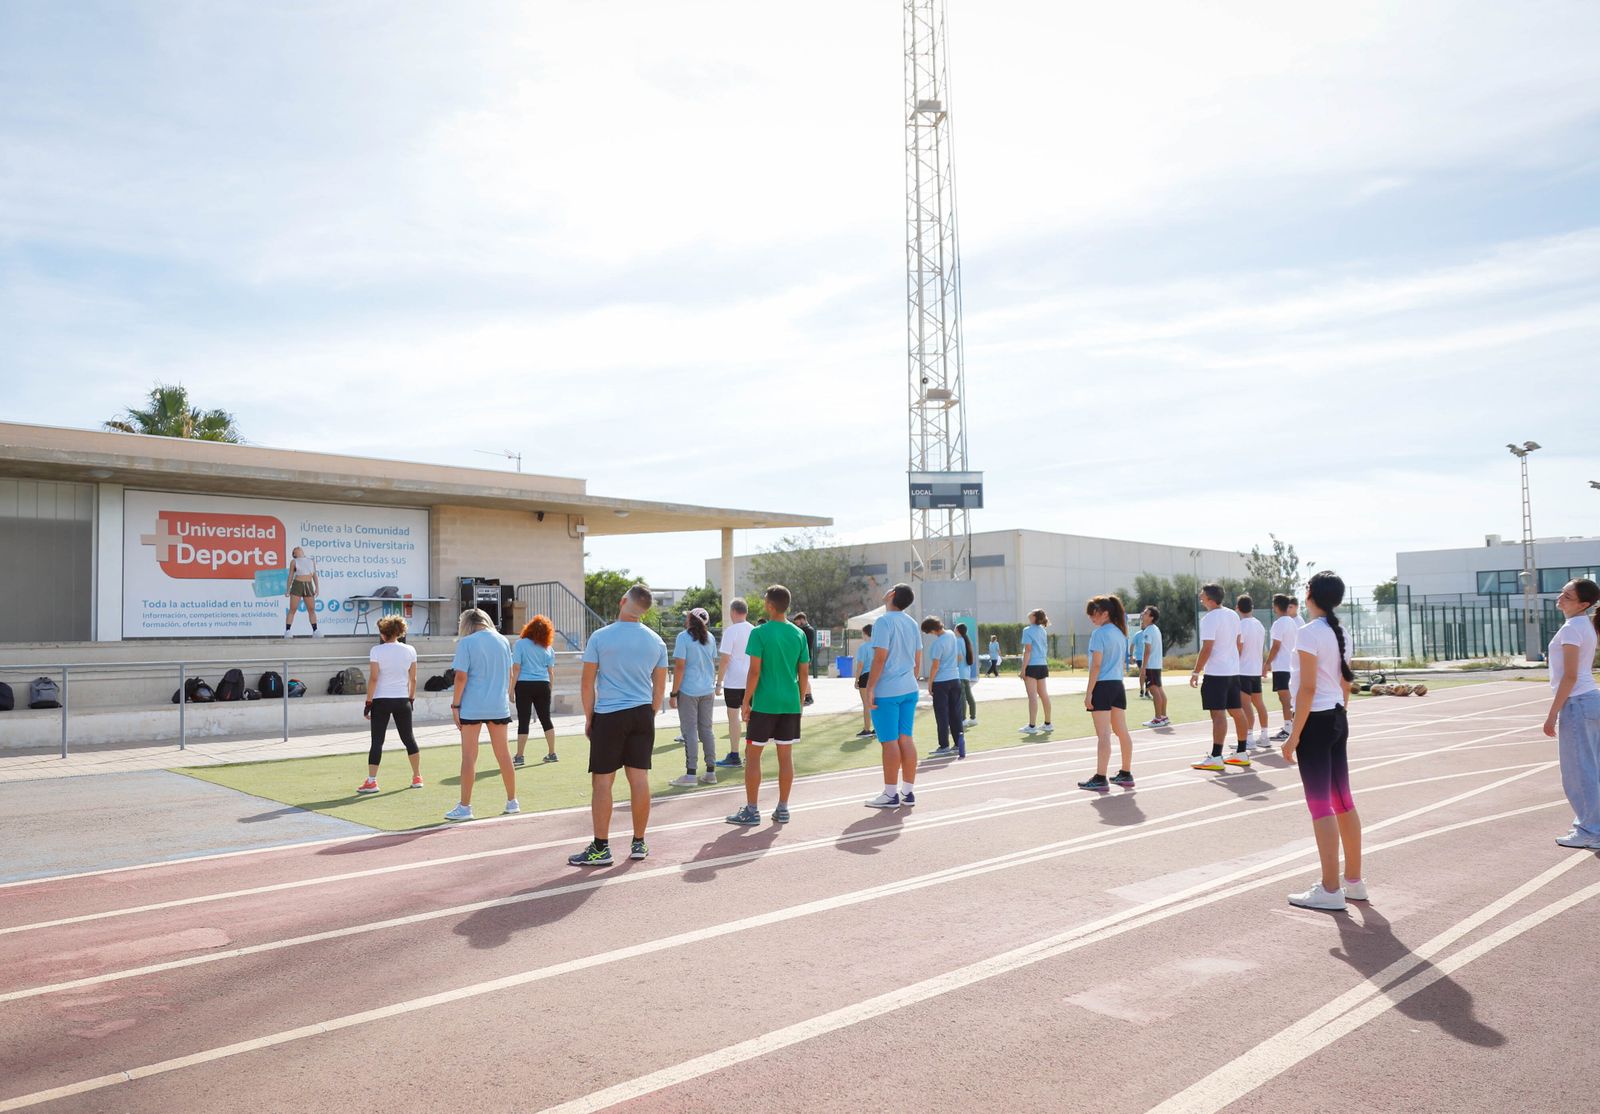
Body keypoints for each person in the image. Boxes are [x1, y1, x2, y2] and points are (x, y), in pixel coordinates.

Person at [568, 584, 669, 866]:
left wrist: (590, 718)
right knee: (639, 779)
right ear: (644, 611)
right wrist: (649, 713)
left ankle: (601, 847)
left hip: (610, 715)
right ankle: (639, 842)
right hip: (642, 714)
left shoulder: (600, 637)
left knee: (602, 781)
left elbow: (587, 683)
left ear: (623, 601)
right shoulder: (657, 642)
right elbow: (660, 688)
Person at [1281, 570, 1363, 910]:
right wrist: (1339, 715)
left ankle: (1330, 889)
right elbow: (1345, 683)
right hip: (1337, 717)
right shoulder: (1340, 632)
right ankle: (1353, 881)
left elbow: (1308, 688)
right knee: (1343, 800)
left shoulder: (1308, 633)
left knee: (1320, 805)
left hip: (1316, 722)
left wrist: (1293, 735)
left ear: (1311, 594)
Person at [726, 585, 811, 825]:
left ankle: (752, 810)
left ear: (770, 605)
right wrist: (800, 701)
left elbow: (754, 671)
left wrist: (746, 701)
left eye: (765, 600)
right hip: (790, 703)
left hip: (764, 703)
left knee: (752, 756)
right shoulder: (799, 634)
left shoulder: (759, 632)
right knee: (785, 756)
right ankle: (783, 808)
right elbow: (803, 673)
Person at [444, 609, 517, 821]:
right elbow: (510, 674)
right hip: (497, 705)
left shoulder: (466, 643)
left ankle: (465, 807)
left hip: (472, 705)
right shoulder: (503, 641)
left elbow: (461, 677)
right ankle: (512, 801)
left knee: (469, 757)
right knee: (504, 754)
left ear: (466, 624)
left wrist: (455, 705)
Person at [1542, 578, 1600, 849]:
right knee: (1591, 768)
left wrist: (1552, 713)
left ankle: (1590, 831)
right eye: (1562, 592)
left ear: (1583, 604)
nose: (1560, 598)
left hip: (1577, 703)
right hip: (1589, 700)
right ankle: (1592, 825)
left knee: (1579, 773)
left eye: (1567, 596)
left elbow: (1570, 676)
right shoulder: (1584, 625)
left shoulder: (1571, 629)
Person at [863, 583, 922, 808]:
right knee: (906, 738)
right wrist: (911, 679)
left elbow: (880, 658)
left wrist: (870, 688)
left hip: (887, 691)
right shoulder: (912, 622)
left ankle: (890, 794)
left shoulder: (883, 621)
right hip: (909, 688)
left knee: (889, 742)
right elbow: (917, 657)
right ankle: (907, 792)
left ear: (892, 594)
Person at [355, 615, 421, 794]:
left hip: (381, 700)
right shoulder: (410, 650)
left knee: (377, 741)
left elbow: (374, 678)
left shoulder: (376, 650)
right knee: (409, 739)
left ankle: (372, 781)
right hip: (402, 699)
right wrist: (411, 699)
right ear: (399, 632)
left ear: (383, 634)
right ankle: (417, 777)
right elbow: (413, 679)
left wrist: (368, 702)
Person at [1189, 583, 1250, 771]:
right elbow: (1239, 644)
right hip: (1232, 672)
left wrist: (1196, 671)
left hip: (1216, 673)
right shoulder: (1233, 615)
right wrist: (1232, 662)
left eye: (1202, 595)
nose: (1200, 597)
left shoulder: (1209, 619)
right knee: (1237, 711)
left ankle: (1216, 756)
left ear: (1210, 599)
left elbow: (1207, 648)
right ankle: (1241, 753)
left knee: (1218, 714)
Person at [1078, 595, 1135, 791]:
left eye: (1094, 614)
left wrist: (1089, 693)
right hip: (1117, 685)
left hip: (1102, 686)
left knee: (1103, 734)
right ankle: (1126, 773)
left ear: (1105, 613)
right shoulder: (1121, 633)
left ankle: (1101, 777)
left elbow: (1096, 665)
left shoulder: (1099, 634)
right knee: (1122, 731)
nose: (1091, 618)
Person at [669, 607, 720, 788]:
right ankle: (710, 772)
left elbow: (679, 667)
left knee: (689, 730)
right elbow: (712, 663)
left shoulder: (683, 637)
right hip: (707, 690)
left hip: (689, 691)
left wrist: (674, 693)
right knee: (706, 729)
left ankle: (691, 774)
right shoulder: (711, 638)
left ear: (691, 619)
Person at [511, 614, 558, 768]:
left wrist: (511, 690)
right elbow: (551, 672)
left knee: (523, 720)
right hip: (543, 684)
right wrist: (550, 688)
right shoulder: (548, 648)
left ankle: (520, 756)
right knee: (546, 719)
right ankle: (552, 753)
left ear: (529, 628)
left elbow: (516, 669)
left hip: (523, 685)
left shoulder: (520, 644)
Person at [714, 599, 755, 769]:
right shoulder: (754, 630)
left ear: (732, 612)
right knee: (750, 717)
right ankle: (751, 755)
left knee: (733, 717)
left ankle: (734, 754)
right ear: (746, 611)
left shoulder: (730, 631)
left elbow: (724, 659)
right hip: (751, 679)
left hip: (733, 681)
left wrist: (718, 683)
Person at [922, 617, 967, 759]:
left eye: (928, 632)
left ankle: (944, 746)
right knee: (956, 713)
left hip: (941, 682)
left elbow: (935, 666)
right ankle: (959, 743)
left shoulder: (938, 644)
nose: (930, 634)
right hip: (955, 679)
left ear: (932, 630)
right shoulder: (951, 634)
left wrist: (930, 683)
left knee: (942, 715)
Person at [1237, 595, 1271, 750]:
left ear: (1238, 608)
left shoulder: (1241, 625)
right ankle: (1264, 736)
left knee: (1245, 706)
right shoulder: (1259, 625)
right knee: (1259, 704)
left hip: (1243, 670)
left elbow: (1239, 647)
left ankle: (1249, 739)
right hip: (1255, 670)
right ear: (1252, 607)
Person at [1266, 594, 1300, 742]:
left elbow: (1276, 646)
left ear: (1276, 606)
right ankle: (1292, 726)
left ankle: (1288, 729)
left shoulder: (1279, 623)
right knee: (1288, 699)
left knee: (1285, 699)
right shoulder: (1292, 622)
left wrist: (1267, 663)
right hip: (1289, 665)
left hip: (1282, 666)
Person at [1018, 609, 1053, 735]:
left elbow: (1028, 650)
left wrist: (1023, 670)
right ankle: (1048, 724)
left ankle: (1032, 726)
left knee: (1032, 696)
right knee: (1044, 694)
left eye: (1032, 612)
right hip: (1042, 665)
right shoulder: (1043, 630)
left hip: (1032, 666)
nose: (1029, 613)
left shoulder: (1027, 630)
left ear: (1034, 617)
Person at [1139, 606, 1169, 728]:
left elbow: (1147, 651)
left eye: (1146, 613)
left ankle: (1158, 719)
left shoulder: (1148, 631)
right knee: (1159, 690)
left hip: (1151, 665)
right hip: (1156, 665)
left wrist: (1143, 668)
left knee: (1154, 691)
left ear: (1151, 617)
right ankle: (1163, 717)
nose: (1143, 614)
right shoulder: (1155, 629)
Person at [283, 546, 322, 638]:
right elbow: (290, 576)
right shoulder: (294, 562)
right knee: (292, 609)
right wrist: (288, 589)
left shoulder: (311, 561)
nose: (298, 548)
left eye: (298, 548)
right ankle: (287, 631)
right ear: (294, 554)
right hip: (297, 585)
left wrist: (317, 587)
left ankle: (315, 630)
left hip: (308, 585)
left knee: (311, 609)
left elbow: (314, 575)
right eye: (295, 549)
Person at [854, 622, 877, 738]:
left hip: (866, 676)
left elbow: (860, 665)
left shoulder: (863, 647)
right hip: (877, 675)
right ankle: (877, 728)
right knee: (875, 703)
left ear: (865, 633)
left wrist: (856, 679)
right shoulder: (878, 646)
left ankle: (867, 729)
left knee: (866, 704)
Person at [955, 621, 978, 728]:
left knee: (962, 697)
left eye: (955, 629)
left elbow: (958, 657)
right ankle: (973, 718)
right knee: (969, 695)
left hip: (959, 672)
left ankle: (963, 719)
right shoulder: (966, 641)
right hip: (966, 672)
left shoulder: (957, 641)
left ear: (958, 630)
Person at [793, 611, 820, 697]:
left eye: (797, 622)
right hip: (804, 656)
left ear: (802, 620)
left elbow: (806, 644)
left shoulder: (807, 630)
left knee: (803, 676)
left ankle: (808, 695)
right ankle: (806, 695)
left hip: (805, 656)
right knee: (802, 676)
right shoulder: (807, 630)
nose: (797, 624)